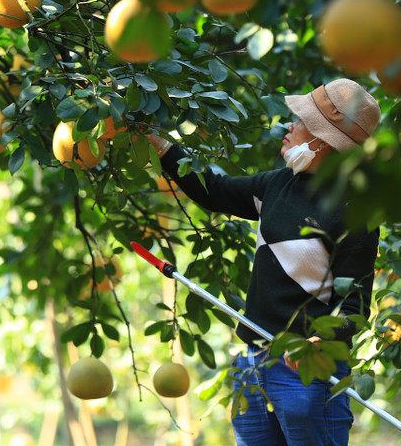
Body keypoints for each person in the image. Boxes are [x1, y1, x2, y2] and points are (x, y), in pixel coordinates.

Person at [146, 77, 382, 446]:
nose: (289, 126)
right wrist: (160, 146)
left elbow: (353, 307)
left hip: (305, 370)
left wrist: (317, 343)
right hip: (254, 361)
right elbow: (216, 192)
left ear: (323, 140)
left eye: (300, 121)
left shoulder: (356, 212)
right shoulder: (278, 184)